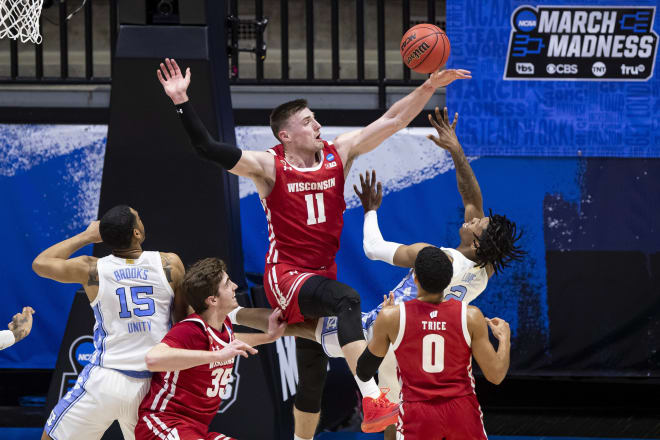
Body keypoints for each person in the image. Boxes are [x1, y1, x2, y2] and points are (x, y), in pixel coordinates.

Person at [157, 57, 471, 437]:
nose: (318, 125)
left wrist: (427, 86)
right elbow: (207, 148)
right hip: (287, 273)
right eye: (307, 121)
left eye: (315, 118)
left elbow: (394, 121)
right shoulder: (268, 166)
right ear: (285, 135)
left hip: (321, 273)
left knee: (311, 377)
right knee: (348, 300)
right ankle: (372, 397)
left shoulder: (340, 152)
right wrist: (180, 101)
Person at [33, 205, 187, 440]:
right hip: (152, 383)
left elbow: (40, 264)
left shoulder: (91, 268)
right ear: (136, 233)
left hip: (106, 379)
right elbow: (183, 324)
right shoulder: (170, 264)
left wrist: (87, 236)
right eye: (139, 218)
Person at [356, 246, 511, 440]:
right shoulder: (471, 316)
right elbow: (496, 375)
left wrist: (382, 330)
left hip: (417, 413)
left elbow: (363, 370)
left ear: (415, 278)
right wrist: (504, 339)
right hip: (461, 410)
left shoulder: (392, 317)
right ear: (448, 280)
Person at [135, 257, 286, 440]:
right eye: (228, 283)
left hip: (195, 430)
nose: (235, 286)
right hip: (163, 424)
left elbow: (231, 341)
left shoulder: (224, 325)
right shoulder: (190, 329)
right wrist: (217, 355)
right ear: (212, 300)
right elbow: (152, 359)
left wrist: (270, 336)